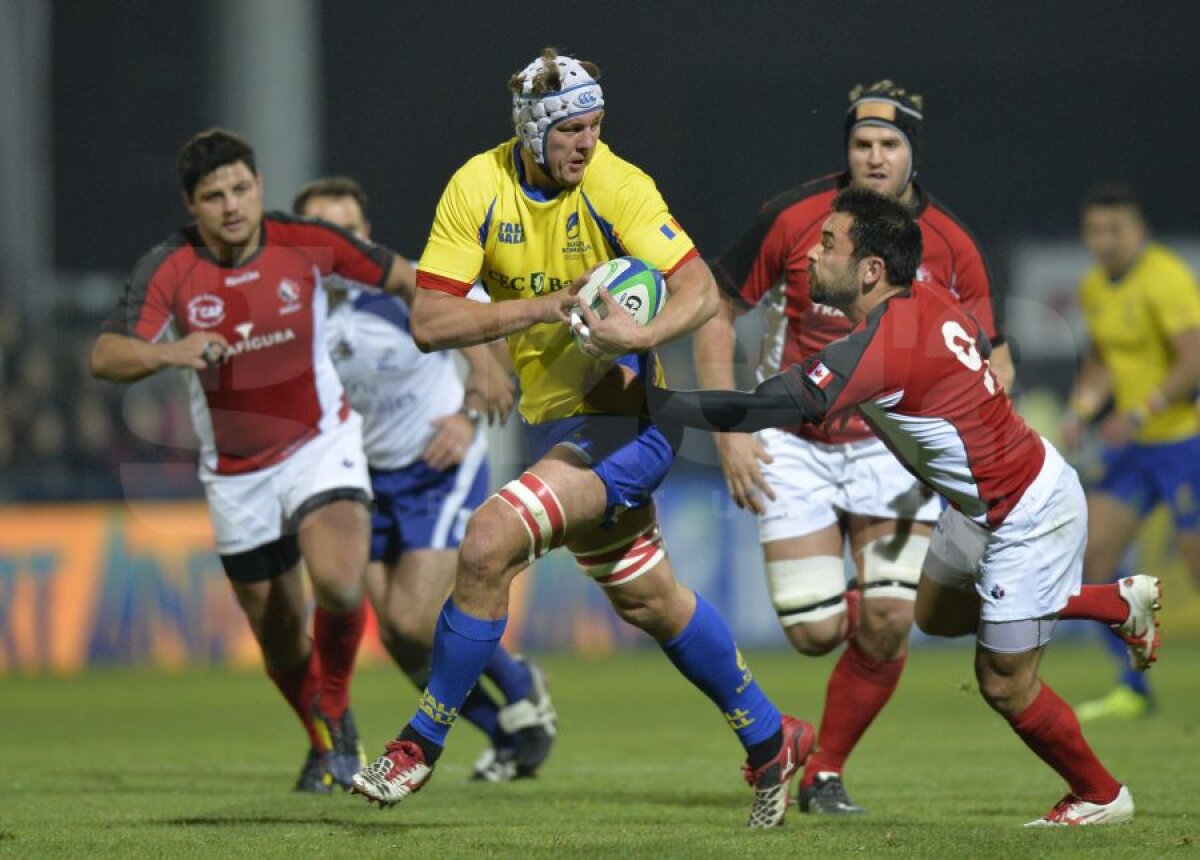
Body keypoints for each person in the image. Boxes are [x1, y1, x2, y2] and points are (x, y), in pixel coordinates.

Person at [349, 48, 814, 829]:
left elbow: (699, 290)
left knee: (487, 540)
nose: (585, 143)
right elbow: (431, 322)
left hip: (627, 418)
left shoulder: (616, 184)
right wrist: (542, 308)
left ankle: (420, 744)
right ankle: (774, 736)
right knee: (650, 599)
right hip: (557, 427)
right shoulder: (477, 188)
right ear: (530, 129)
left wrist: (643, 328)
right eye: (570, 129)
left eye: (595, 125)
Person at [600, 186, 1159, 826]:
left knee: (1003, 680)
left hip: (1028, 514)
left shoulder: (882, 346)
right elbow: (974, 337)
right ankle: (1113, 602)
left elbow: (759, 409)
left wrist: (650, 401)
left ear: (870, 270)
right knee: (939, 616)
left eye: (830, 243)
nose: (812, 252)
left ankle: (1100, 794)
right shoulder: (925, 299)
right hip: (980, 505)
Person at [696, 79, 1013, 814]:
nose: (875, 156)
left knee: (889, 617)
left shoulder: (953, 244)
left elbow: (989, 353)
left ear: (913, 153)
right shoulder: (796, 217)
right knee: (812, 633)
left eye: (890, 144)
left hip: (893, 448)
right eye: (862, 143)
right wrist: (729, 429)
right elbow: (717, 307)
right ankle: (832, 680)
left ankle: (825, 772)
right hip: (794, 440)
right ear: (847, 149)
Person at [91, 129, 421, 793]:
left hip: (318, 444)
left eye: (241, 188)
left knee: (340, 582)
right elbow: (106, 356)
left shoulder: (304, 240)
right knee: (274, 631)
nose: (232, 205)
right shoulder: (170, 267)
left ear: (260, 187)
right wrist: (169, 352)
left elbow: (406, 277)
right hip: (237, 474)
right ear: (192, 205)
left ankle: (332, 703)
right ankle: (327, 735)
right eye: (214, 196)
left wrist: (475, 353)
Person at [292, 176, 557, 781]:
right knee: (397, 635)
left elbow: (486, 336)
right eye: (322, 232)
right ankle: (508, 724)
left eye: (348, 230)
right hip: (360, 477)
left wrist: (470, 413)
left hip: (436, 465)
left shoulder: (405, 286)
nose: (338, 243)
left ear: (366, 236)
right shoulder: (296, 307)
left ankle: (518, 684)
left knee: (414, 620)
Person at [1061, 182, 1200, 721]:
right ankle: (1131, 685)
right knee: (1092, 561)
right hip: (1136, 450)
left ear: (1138, 231)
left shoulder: (1164, 278)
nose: (1104, 241)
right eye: (1095, 230)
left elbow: (1193, 360)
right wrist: (1082, 407)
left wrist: (1139, 411)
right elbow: (1100, 360)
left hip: (1184, 441)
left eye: (1114, 229)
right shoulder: (1095, 287)